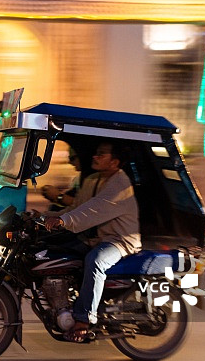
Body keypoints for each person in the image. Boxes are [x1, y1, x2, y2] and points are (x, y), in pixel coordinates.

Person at [42, 140, 141, 341]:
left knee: (95, 261)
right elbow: (77, 207)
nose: (95, 157)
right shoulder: (94, 179)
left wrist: (63, 221)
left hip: (119, 240)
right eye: (96, 153)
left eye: (102, 154)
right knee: (58, 253)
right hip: (97, 237)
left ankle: (84, 319)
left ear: (115, 162)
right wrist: (43, 218)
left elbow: (93, 210)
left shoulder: (120, 185)